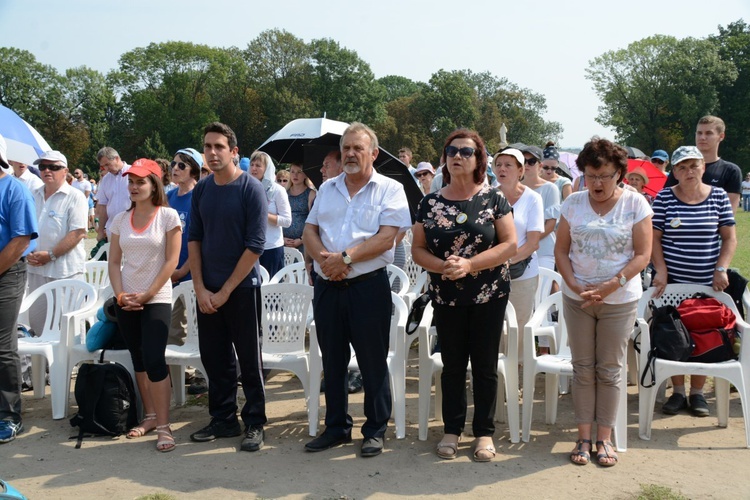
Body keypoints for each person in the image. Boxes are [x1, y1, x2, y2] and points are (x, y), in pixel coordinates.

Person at [302, 122, 411, 458]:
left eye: (357, 148)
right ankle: (336, 427)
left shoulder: (390, 189)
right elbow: (309, 229)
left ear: (373, 154)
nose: (350, 153)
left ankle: (375, 429)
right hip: (328, 287)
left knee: (372, 361)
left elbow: (386, 236)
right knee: (332, 360)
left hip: (368, 287)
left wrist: (344, 258)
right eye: (346, 148)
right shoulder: (328, 189)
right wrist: (326, 261)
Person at [412, 130, 516, 462]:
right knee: (453, 366)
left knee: (485, 366)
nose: (458, 156)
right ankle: (452, 430)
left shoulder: (494, 199)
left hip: (489, 295)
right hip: (446, 297)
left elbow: (509, 245)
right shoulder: (429, 202)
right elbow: (417, 249)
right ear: (444, 158)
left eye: (466, 152)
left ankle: (484, 433)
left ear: (478, 160)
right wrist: (444, 266)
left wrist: (469, 264)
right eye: (452, 151)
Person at [555, 137, 652, 467]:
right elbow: (561, 251)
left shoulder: (635, 204)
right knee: (582, 368)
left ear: (619, 174)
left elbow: (643, 254)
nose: (597, 183)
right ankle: (583, 436)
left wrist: (612, 285)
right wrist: (573, 283)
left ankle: (604, 439)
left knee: (610, 369)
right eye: (591, 175)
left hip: (620, 298)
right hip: (577, 297)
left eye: (605, 176)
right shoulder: (572, 204)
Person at [188, 122, 268, 453]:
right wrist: (201, 288)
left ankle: (254, 422)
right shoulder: (202, 190)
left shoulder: (251, 189)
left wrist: (224, 291)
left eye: (219, 146)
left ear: (234, 152)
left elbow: (255, 246)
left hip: (242, 288)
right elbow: (194, 239)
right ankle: (222, 418)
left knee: (249, 359)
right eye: (207, 146)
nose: (212, 152)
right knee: (215, 358)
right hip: (207, 290)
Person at [650, 146, 736, 418]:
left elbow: (729, 237)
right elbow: (654, 238)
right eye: (682, 167)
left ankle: (697, 393)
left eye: (693, 166)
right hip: (672, 282)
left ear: (703, 168)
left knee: (704, 333)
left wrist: (721, 268)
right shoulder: (664, 198)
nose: (688, 172)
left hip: (708, 282)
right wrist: (660, 270)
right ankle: (677, 391)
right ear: (674, 171)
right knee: (672, 334)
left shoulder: (718, 196)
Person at [108, 158, 181, 452]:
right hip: (127, 298)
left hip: (157, 298)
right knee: (138, 359)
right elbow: (113, 261)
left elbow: (172, 261)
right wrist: (120, 294)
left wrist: (148, 294)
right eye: (131, 181)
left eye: (141, 181)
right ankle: (150, 416)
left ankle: (164, 426)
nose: (134, 187)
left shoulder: (168, 216)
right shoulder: (120, 220)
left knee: (154, 359)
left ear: (154, 184)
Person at [0, 134, 38, 444]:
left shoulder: (15, 190)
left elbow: (21, 239)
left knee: (2, 345)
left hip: (7, 274)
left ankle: (9, 414)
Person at [26, 151, 88, 337]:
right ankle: (41, 366)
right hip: (36, 269)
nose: (47, 170)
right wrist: (27, 251)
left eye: (53, 167)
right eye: (43, 167)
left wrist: (50, 255)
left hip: (64, 272)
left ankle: (66, 366)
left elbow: (78, 232)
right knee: (37, 325)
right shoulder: (33, 194)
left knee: (65, 329)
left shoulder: (75, 196)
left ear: (65, 171)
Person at [493, 148, 543, 356]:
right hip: (490, 273)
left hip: (522, 274)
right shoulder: (488, 196)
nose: (502, 169)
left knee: (519, 325)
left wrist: (505, 261)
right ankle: (493, 374)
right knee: (492, 325)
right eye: (498, 164)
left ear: (521, 170)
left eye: (508, 165)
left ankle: (516, 374)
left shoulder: (533, 199)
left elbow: (533, 243)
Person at [664, 115, 742, 213]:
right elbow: (667, 203)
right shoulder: (681, 167)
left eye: (708, 133)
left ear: (721, 136)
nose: (702, 137)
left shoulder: (731, 171)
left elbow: (729, 215)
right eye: (699, 133)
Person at [166, 148, 202, 346]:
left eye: (181, 165)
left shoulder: (199, 196)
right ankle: (178, 372)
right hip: (169, 271)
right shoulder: (169, 197)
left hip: (190, 272)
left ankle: (190, 371)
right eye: (173, 164)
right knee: (172, 324)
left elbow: (201, 240)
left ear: (194, 171)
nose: (175, 169)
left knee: (188, 323)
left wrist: (182, 271)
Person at [249, 151, 291, 279]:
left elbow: (287, 221)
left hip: (271, 248)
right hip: (250, 247)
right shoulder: (246, 188)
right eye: (252, 164)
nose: (254, 168)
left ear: (266, 169)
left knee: (271, 293)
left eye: (258, 165)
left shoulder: (277, 190)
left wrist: (263, 214)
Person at [521, 145, 561, 272]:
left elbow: (550, 224)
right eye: (523, 161)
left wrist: (529, 242)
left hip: (543, 250)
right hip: (517, 248)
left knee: (542, 290)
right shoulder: (514, 188)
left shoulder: (550, 188)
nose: (526, 165)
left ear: (539, 165)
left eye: (531, 162)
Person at [95, 147, 131, 242]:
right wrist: (101, 230)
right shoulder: (106, 180)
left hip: (132, 228)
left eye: (107, 164)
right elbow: (103, 206)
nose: (106, 168)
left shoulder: (133, 173)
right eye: (103, 166)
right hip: (113, 229)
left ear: (117, 158)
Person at [283, 163, 315, 256]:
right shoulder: (284, 193)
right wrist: (282, 238)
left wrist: (301, 239)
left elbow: (313, 220)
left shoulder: (311, 194)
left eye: (299, 172)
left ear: (305, 175)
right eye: (292, 172)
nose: (295, 175)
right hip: (284, 241)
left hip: (303, 242)